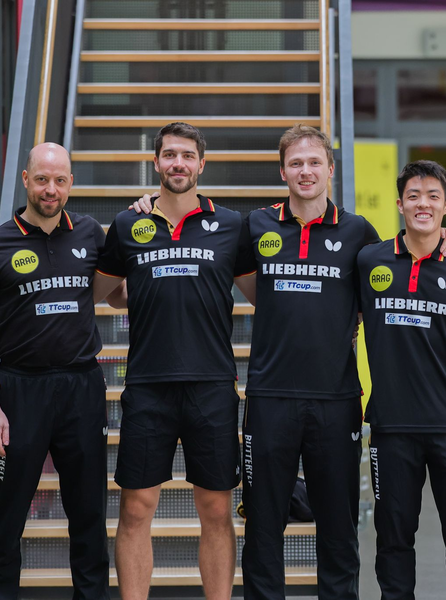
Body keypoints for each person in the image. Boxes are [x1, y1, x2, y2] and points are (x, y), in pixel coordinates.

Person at [239, 125, 446, 600]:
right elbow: (252, 287)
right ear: (282, 171)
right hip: (269, 398)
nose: (306, 171)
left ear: (331, 170)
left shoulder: (359, 232)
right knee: (263, 524)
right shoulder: (256, 225)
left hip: (337, 400)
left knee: (339, 528)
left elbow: (398, 272)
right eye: (296, 163)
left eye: (314, 162)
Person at [94, 122, 255, 600]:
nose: (177, 163)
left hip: (211, 386)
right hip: (148, 384)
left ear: (202, 164)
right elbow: (105, 293)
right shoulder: (129, 225)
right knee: (136, 509)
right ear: (156, 162)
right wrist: (139, 290)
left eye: (187, 155)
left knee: (216, 510)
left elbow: (263, 296)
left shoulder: (230, 224)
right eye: (169, 155)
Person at [358, 159, 446, 600]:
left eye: (432, 196)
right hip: (391, 427)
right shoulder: (369, 259)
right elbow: (343, 327)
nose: (423, 204)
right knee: (394, 542)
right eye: (414, 196)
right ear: (400, 203)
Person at [0, 143, 118, 599]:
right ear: (26, 180)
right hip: (17, 391)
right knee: (7, 517)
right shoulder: (3, 240)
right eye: (43, 179)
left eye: (61, 179)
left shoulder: (90, 232)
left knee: (88, 517)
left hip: (80, 389)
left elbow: (117, 289)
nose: (51, 189)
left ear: (71, 183)